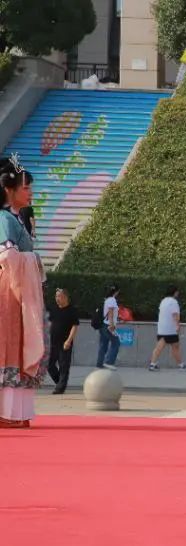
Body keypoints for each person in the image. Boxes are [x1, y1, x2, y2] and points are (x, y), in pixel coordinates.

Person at [0, 155, 44, 428]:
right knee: (8, 347)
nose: (30, 193)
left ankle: (15, 411)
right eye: (26, 188)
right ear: (9, 190)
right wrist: (32, 260)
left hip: (16, 292)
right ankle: (6, 412)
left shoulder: (15, 219)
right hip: (8, 292)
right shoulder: (4, 219)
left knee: (16, 348)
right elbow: (6, 257)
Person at [149, 285, 186, 371]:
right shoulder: (173, 302)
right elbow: (175, 314)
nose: (178, 293)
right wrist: (177, 325)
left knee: (160, 347)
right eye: (177, 291)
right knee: (175, 347)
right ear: (175, 292)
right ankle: (180, 365)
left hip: (162, 328)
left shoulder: (163, 301)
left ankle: (152, 364)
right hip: (170, 329)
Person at [47, 288, 79, 394]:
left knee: (63, 366)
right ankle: (60, 383)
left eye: (59, 296)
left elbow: (75, 326)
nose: (57, 298)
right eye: (56, 296)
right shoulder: (54, 309)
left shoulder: (72, 310)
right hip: (53, 342)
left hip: (65, 342)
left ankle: (60, 388)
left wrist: (69, 341)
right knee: (49, 365)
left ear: (65, 297)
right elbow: (50, 323)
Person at [95, 285, 121, 370]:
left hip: (104, 325)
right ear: (116, 292)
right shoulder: (112, 300)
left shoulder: (107, 299)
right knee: (116, 342)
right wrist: (111, 325)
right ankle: (109, 362)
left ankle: (99, 364)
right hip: (108, 325)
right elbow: (110, 313)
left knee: (103, 344)